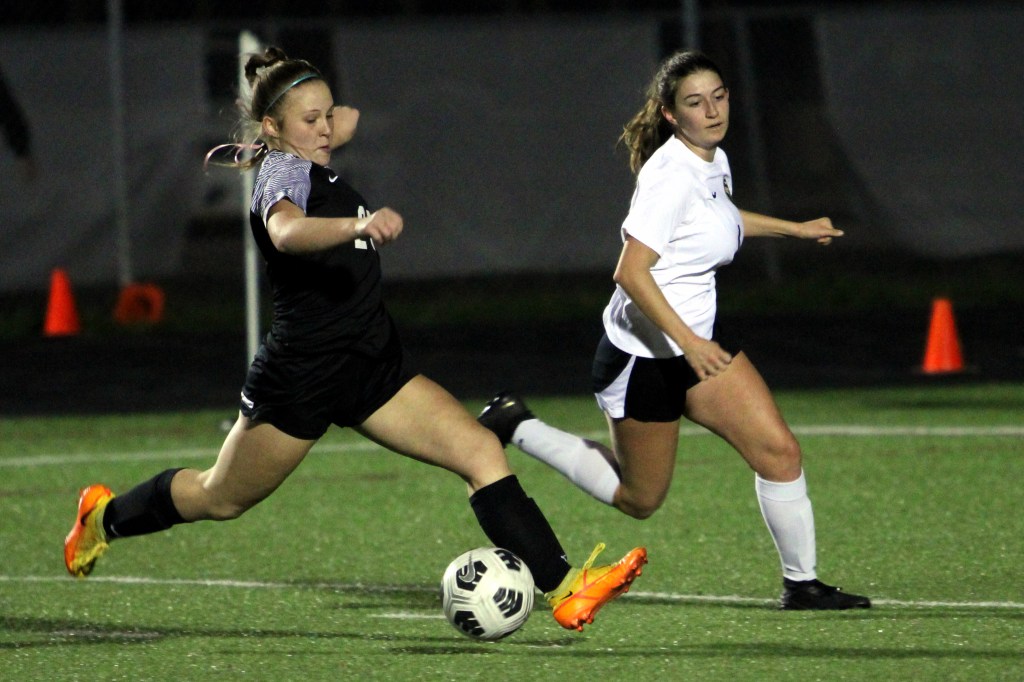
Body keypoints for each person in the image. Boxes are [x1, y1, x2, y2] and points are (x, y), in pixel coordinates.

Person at [64, 47, 647, 633]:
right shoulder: (281, 173)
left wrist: (310, 100)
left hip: (372, 362)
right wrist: (357, 224)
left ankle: (566, 588)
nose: (325, 128)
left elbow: (341, 117)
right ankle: (104, 518)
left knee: (479, 451)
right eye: (308, 120)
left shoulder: (309, 148)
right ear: (271, 128)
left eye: (326, 116)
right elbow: (286, 232)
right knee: (221, 497)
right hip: (304, 374)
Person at [477, 50, 870, 610]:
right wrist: (689, 343)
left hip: (697, 348)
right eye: (695, 102)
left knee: (779, 453)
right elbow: (629, 272)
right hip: (644, 358)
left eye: (719, 95)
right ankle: (517, 424)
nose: (712, 110)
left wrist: (795, 230)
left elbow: (721, 219)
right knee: (639, 499)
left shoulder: (712, 159)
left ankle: (801, 585)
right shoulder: (668, 176)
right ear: (669, 114)